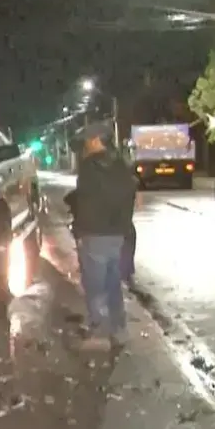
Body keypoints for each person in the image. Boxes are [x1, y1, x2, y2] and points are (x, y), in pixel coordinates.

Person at [65, 122, 137, 351]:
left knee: (95, 285)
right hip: (119, 234)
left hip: (95, 234)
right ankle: (119, 330)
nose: (86, 145)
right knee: (113, 284)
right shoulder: (122, 165)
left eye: (88, 140)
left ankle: (99, 330)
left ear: (97, 140)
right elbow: (129, 197)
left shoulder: (90, 167)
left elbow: (86, 203)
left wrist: (79, 231)